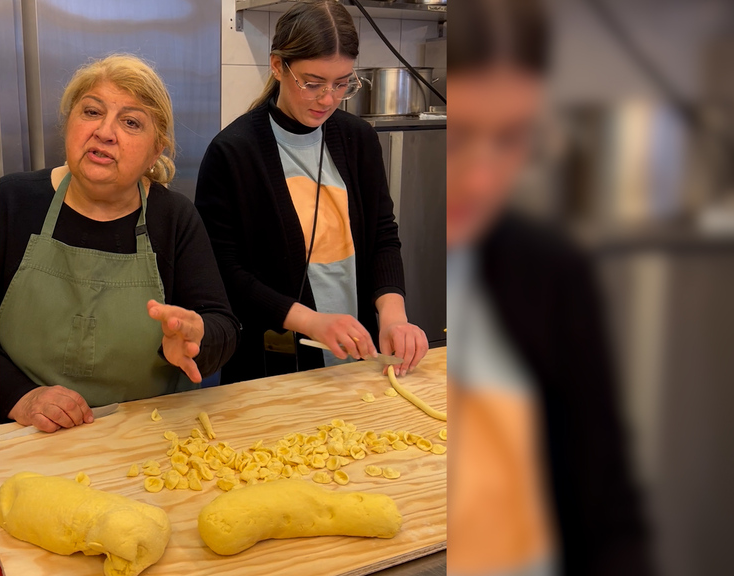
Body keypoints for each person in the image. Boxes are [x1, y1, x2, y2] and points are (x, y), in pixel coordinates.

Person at [446, 1, 653, 575]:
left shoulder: (550, 272)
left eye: (511, 138)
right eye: (459, 137)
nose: (482, 178)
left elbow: (606, 506)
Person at [0, 55, 240, 431]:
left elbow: (223, 327)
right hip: (26, 434)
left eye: (130, 122)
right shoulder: (11, 202)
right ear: (69, 123)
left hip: (145, 436)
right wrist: (19, 395)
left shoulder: (174, 218)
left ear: (155, 151)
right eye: (92, 112)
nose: (105, 132)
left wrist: (196, 337)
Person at [195, 0, 428, 384]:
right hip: (270, 368)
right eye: (312, 83)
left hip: (358, 361)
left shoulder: (359, 139)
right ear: (277, 66)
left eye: (342, 83)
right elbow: (225, 272)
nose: (328, 99)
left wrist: (393, 316)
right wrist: (311, 321)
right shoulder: (233, 153)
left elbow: (383, 237)